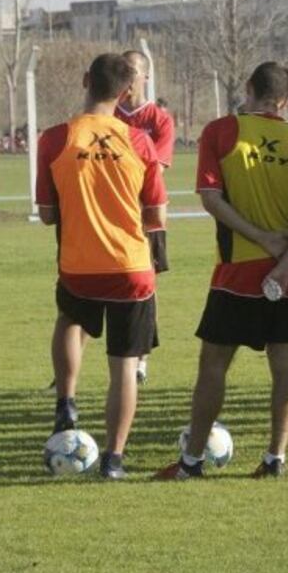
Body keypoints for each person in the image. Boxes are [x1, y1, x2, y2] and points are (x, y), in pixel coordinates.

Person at [155, 62, 288, 480]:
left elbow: (211, 198)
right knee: (285, 363)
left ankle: (191, 463)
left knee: (213, 364)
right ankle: (275, 459)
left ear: (247, 88)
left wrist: (261, 239)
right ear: (284, 101)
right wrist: (284, 262)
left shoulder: (221, 132)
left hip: (237, 273)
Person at [36, 53, 167, 481]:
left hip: (78, 265)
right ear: (126, 92)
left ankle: (67, 402)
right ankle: (113, 459)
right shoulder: (140, 142)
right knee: (125, 366)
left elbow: (48, 214)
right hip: (131, 267)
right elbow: (156, 216)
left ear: (84, 79)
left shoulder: (55, 139)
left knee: (70, 321)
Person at [116, 49, 175, 386]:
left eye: (132, 71)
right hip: (109, 216)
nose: (127, 77)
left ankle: (140, 361)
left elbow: (158, 168)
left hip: (146, 216)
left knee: (145, 287)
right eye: (122, 70)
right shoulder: (107, 114)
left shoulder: (159, 120)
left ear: (145, 77)